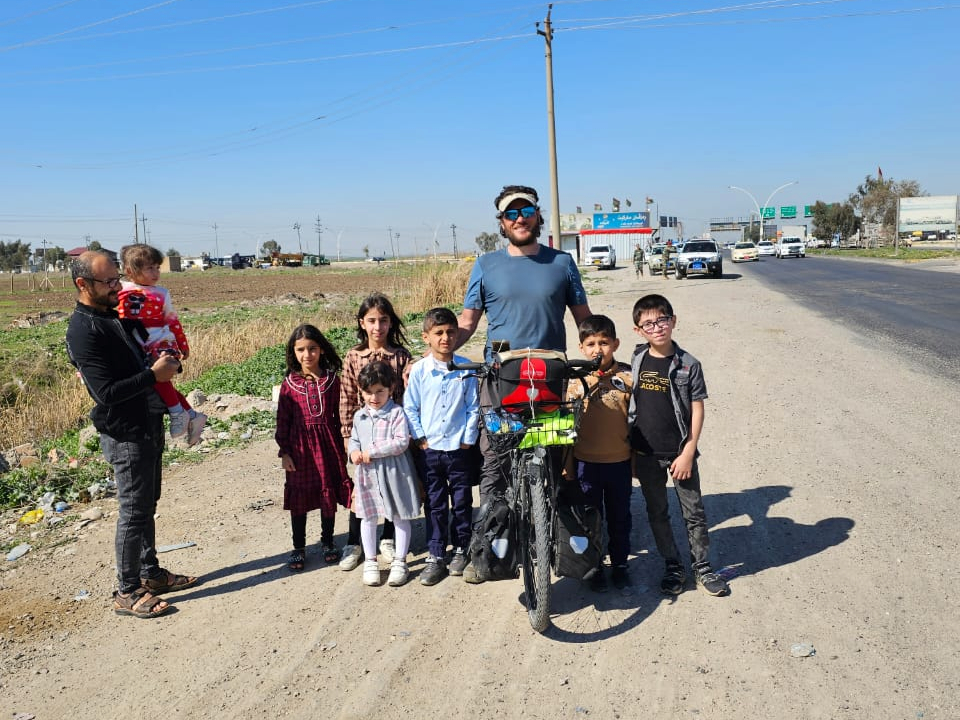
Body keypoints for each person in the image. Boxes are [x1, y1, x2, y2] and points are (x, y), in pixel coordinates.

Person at [456, 184, 593, 583]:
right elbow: (468, 322)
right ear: (501, 222)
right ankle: (488, 553)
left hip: (549, 379)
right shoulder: (485, 265)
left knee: (552, 462)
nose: (519, 218)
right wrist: (440, 355)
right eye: (511, 213)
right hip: (501, 379)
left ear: (537, 215)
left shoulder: (562, 262)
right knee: (495, 465)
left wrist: (602, 357)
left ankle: (557, 542)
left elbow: (584, 319)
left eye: (526, 210)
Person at [65, 250, 197, 619]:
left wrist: (168, 359)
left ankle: (150, 574)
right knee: (134, 510)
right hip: (124, 431)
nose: (116, 287)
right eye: (108, 282)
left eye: (116, 279)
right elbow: (104, 393)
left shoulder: (115, 316)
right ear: (82, 284)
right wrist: (152, 376)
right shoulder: (83, 330)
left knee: (147, 504)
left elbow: (148, 351)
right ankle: (127, 589)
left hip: (148, 419)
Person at [628, 294, 730, 597]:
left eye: (662, 320)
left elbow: (697, 409)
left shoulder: (689, 365)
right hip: (645, 453)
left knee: (693, 511)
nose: (657, 327)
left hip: (679, 452)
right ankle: (672, 565)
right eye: (648, 323)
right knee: (656, 511)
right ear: (638, 330)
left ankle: (703, 567)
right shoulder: (636, 358)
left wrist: (688, 451)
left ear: (673, 321)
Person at [404, 308, 480, 585]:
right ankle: (436, 554)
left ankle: (462, 548)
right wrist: (420, 437)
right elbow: (410, 407)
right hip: (431, 449)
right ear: (427, 337)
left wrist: (467, 438)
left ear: (458, 334)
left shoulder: (466, 368)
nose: (445, 338)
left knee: (461, 501)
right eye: (438, 333)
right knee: (435, 503)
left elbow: (473, 406)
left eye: (450, 332)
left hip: (458, 448)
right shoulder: (420, 371)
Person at [338, 293, 413, 571]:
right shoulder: (354, 357)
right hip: (363, 435)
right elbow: (346, 396)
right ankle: (354, 542)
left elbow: (407, 395)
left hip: (392, 432)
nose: (377, 327)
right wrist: (348, 437)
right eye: (371, 321)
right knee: (362, 490)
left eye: (383, 320)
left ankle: (389, 538)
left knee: (392, 487)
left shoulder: (401, 357)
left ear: (390, 323)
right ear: (362, 323)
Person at [275, 324, 352, 572]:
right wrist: (285, 452)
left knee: (326, 491)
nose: (307, 355)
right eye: (301, 350)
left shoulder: (332, 381)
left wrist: (346, 445)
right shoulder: (289, 383)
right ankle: (298, 547)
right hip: (299, 449)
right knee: (299, 496)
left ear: (321, 349)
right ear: (293, 352)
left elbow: (341, 415)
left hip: (328, 445)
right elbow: (283, 420)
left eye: (312, 348)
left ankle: (327, 541)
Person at [565, 315, 634, 592]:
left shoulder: (627, 377)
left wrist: (636, 462)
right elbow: (567, 429)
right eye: (591, 343)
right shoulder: (574, 380)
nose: (598, 349)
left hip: (619, 462)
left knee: (620, 517)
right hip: (585, 463)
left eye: (604, 342)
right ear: (581, 348)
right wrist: (568, 464)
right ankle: (593, 566)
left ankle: (620, 564)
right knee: (589, 519)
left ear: (615, 344)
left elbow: (636, 423)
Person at [117, 244, 207, 445]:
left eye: (157, 267)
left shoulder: (161, 293)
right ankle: (192, 415)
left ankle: (178, 413)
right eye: (150, 268)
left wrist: (183, 344)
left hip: (160, 342)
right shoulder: (121, 289)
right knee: (157, 382)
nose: (156, 272)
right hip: (137, 344)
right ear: (130, 271)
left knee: (159, 379)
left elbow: (172, 319)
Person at [348, 362, 421, 587]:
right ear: (361, 391)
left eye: (380, 391)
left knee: (399, 515)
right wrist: (354, 453)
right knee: (368, 517)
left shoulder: (396, 413)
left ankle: (400, 560)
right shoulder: (360, 416)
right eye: (368, 392)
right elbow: (354, 440)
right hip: (367, 476)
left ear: (390, 388)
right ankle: (371, 561)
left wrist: (374, 452)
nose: (374, 397)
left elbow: (401, 442)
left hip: (394, 472)